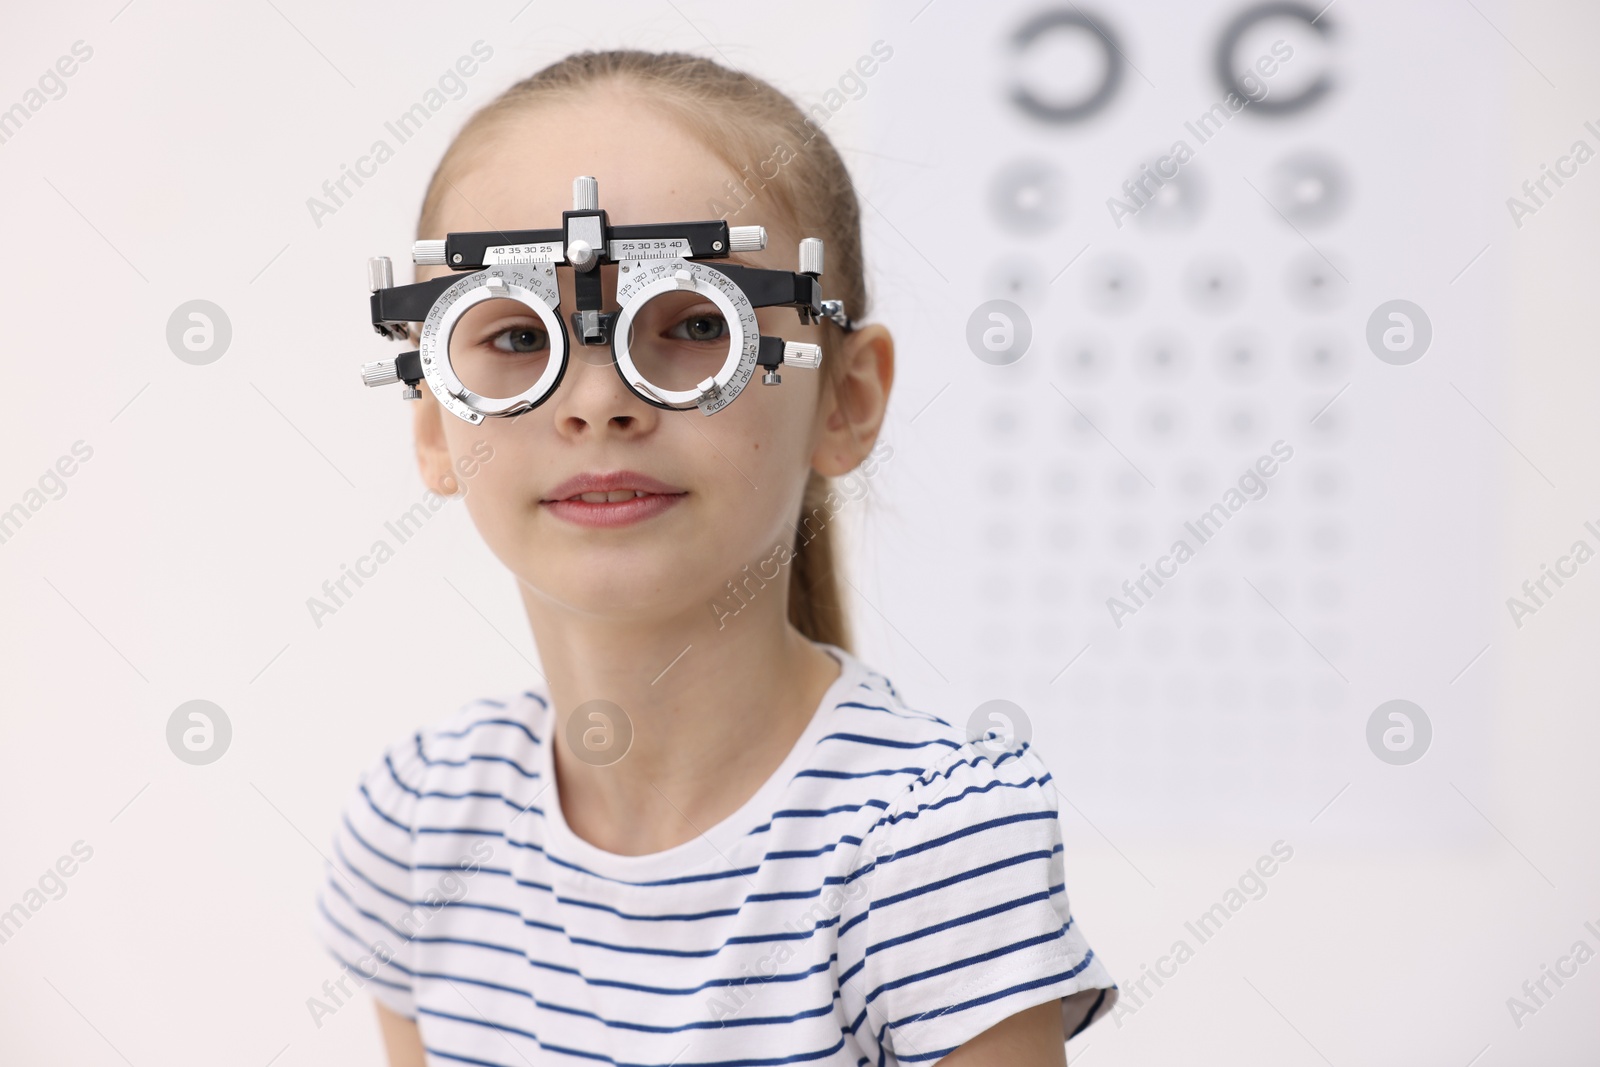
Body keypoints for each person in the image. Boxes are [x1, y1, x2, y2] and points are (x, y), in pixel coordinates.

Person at [313, 48, 1118, 1066]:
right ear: (433, 421)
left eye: (695, 322)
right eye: (515, 337)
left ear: (846, 398)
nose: (597, 399)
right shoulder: (421, 821)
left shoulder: (930, 843)